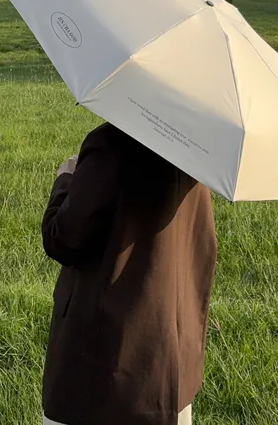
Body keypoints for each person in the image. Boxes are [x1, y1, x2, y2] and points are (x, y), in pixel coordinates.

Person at [40, 121, 218, 425]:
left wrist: (66, 179)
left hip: (104, 362)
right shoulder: (195, 145)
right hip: (170, 360)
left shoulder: (110, 142)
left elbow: (63, 238)